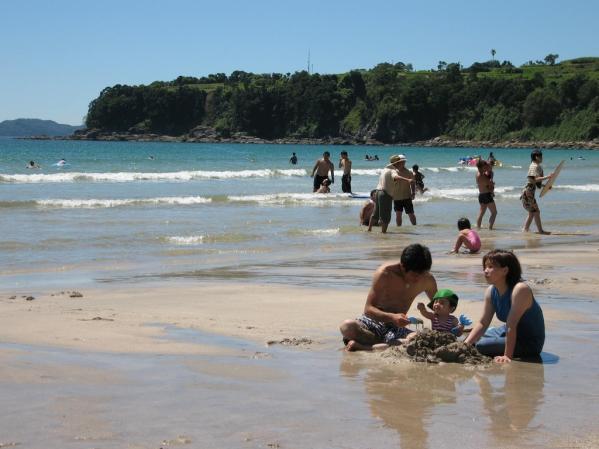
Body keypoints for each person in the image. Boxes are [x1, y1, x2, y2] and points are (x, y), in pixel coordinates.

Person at [339, 243, 438, 351]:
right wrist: (392, 317)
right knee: (347, 326)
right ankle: (387, 344)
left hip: (396, 329)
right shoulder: (385, 273)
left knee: (417, 338)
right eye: (414, 275)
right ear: (403, 266)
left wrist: (450, 323)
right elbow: (368, 309)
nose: (418, 279)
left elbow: (439, 306)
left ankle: (365, 346)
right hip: (372, 323)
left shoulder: (428, 280)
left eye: (422, 274)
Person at [464, 249, 545, 363]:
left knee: (480, 345)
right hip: (505, 331)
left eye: (491, 267)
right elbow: (483, 322)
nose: (485, 271)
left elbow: (511, 325)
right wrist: (465, 345)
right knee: (469, 338)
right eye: (485, 267)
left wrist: (507, 356)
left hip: (528, 341)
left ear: (505, 270)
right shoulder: (491, 291)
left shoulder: (520, 290)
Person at [368, 155, 414, 233]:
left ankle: (369, 230)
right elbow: (395, 177)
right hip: (385, 194)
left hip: (378, 192)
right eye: (400, 163)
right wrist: (407, 180)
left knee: (375, 214)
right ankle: (383, 233)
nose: (402, 164)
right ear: (397, 163)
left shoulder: (385, 169)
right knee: (386, 216)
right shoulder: (393, 170)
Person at [521, 149, 553, 234]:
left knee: (532, 212)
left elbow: (535, 182)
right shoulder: (534, 166)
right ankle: (540, 230)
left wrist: (545, 186)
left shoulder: (534, 165)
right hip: (529, 191)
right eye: (541, 156)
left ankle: (525, 230)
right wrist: (547, 177)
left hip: (529, 191)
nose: (542, 158)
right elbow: (533, 179)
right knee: (536, 211)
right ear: (536, 157)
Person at [393, 155, 417, 227]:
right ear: (398, 162)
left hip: (407, 196)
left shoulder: (409, 172)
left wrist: (413, 193)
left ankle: (415, 227)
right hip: (396, 197)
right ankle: (399, 229)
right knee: (398, 215)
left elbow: (412, 183)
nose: (403, 162)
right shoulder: (393, 172)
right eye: (401, 161)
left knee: (411, 213)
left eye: (404, 161)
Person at [476, 159, 497, 230]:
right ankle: (490, 228)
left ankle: (478, 228)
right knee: (494, 212)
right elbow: (490, 185)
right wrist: (492, 184)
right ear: (482, 167)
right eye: (485, 167)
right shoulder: (482, 176)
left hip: (481, 195)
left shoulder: (478, 174)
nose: (486, 168)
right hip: (487, 195)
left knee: (481, 213)